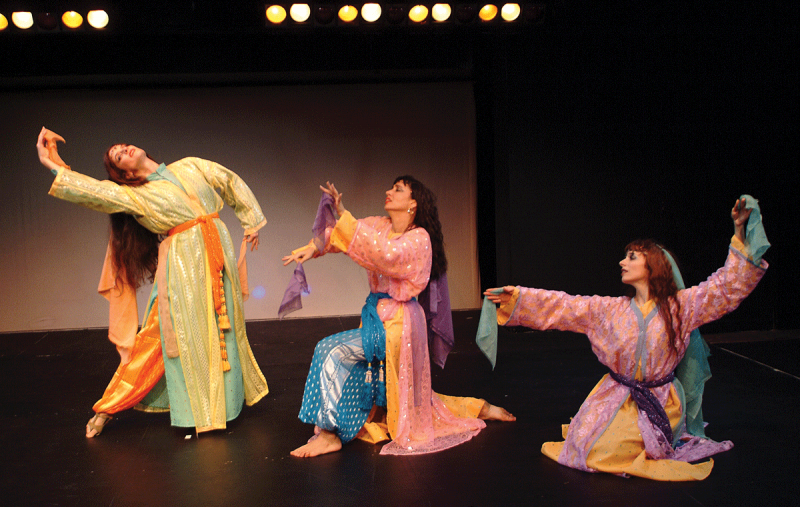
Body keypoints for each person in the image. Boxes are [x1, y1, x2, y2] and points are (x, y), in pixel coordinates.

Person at [483, 197, 768, 480]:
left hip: (658, 400)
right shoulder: (610, 310)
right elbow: (564, 306)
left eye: (632, 256)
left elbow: (725, 288)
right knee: (584, 446)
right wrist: (517, 297)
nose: (622, 261)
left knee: (608, 451)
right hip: (615, 394)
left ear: (653, 265)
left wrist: (740, 231)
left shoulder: (682, 307)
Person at [36, 127, 269, 437]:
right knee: (184, 336)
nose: (126, 150)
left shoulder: (189, 165)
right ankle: (122, 406)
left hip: (217, 250)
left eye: (125, 146)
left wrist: (250, 219)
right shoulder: (135, 196)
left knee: (224, 329)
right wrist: (54, 165)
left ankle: (224, 407)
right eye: (119, 156)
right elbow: (96, 193)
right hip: (185, 262)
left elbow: (227, 180)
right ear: (122, 172)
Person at [283, 177, 514, 458]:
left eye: (398, 190)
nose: (388, 192)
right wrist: (315, 247)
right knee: (411, 400)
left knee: (330, 351)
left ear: (413, 203)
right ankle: (480, 407)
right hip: (376, 317)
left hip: (401, 323)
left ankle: (329, 434)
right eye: (391, 188)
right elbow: (339, 236)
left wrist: (344, 214)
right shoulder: (380, 225)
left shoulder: (419, 239)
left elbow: (385, 255)